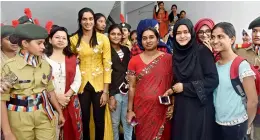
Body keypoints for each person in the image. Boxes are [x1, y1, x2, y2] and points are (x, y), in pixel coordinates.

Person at [1, 23, 65, 140]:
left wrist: (60, 112)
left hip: (43, 114)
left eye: (44, 43)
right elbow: (1, 99)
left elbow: (50, 91)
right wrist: (7, 132)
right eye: (39, 43)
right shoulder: (11, 67)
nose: (43, 47)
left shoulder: (45, 66)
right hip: (20, 118)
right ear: (25, 44)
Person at [163, 18, 219, 140]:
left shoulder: (202, 51)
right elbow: (175, 80)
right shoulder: (176, 55)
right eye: (178, 33)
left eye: (185, 32)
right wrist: (172, 91)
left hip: (200, 108)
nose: (182, 36)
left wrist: (185, 87)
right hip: (182, 108)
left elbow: (213, 80)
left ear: (192, 33)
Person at [70, 7, 113, 140]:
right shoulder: (73, 39)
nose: (88, 22)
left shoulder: (103, 39)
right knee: (84, 120)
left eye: (90, 19)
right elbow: (70, 62)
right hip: (81, 84)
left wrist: (106, 91)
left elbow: (107, 65)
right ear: (80, 21)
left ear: (94, 21)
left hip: (99, 84)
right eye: (84, 19)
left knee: (99, 120)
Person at [211, 22, 258, 140]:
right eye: (213, 37)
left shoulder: (241, 65)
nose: (215, 41)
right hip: (217, 122)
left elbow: (253, 101)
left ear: (232, 39)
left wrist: (246, 125)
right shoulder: (215, 65)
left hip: (236, 125)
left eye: (220, 36)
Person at [126, 27, 173, 140]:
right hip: (141, 109)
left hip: (162, 109)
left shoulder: (168, 59)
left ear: (158, 40)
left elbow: (172, 83)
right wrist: (130, 110)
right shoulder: (134, 61)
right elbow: (132, 87)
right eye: (144, 38)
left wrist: (173, 105)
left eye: (151, 37)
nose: (148, 41)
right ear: (141, 41)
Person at [45, 25, 83, 140]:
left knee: (72, 131)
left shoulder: (72, 58)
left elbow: (78, 80)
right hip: (49, 101)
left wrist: (66, 96)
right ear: (50, 40)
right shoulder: (43, 58)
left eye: (64, 38)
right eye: (57, 37)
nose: (61, 40)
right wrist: (57, 98)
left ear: (67, 41)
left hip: (69, 100)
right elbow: (42, 82)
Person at [107, 24, 132, 140]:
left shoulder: (126, 50)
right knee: (115, 123)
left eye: (118, 34)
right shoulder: (106, 51)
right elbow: (106, 74)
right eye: (113, 34)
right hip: (114, 91)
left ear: (122, 35)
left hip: (127, 90)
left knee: (127, 121)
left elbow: (130, 68)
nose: (116, 36)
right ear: (109, 35)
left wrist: (130, 76)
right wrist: (111, 95)